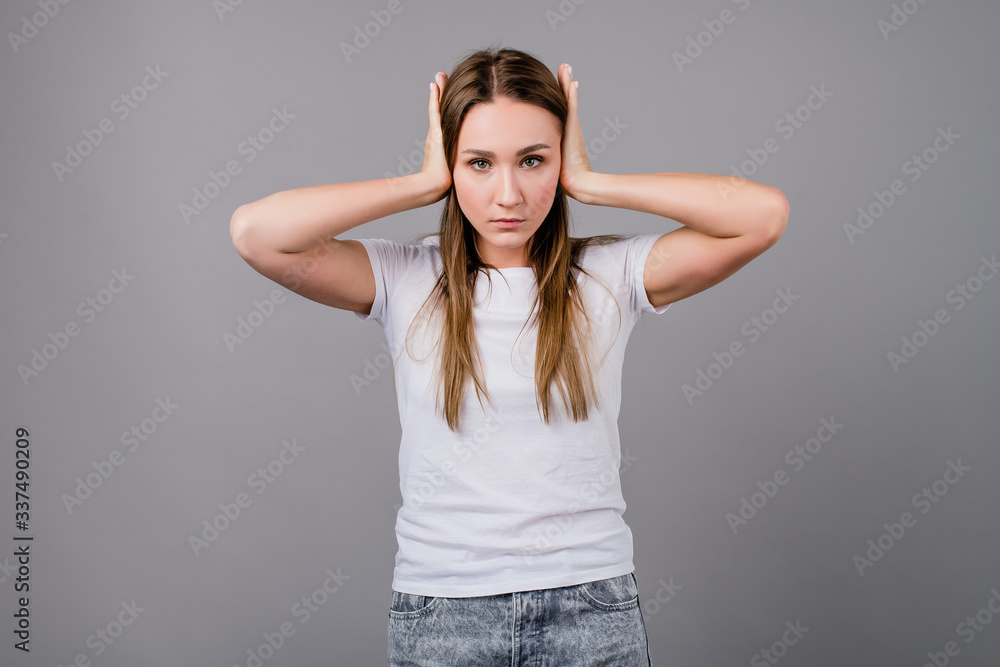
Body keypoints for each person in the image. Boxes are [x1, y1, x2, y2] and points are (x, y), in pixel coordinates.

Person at [230, 46, 788, 666]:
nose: (508, 193)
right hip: (442, 612)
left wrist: (594, 182)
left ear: (559, 161)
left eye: (532, 160)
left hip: (591, 606)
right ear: (451, 165)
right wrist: (420, 184)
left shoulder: (610, 275)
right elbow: (257, 234)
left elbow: (762, 216)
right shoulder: (405, 278)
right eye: (477, 163)